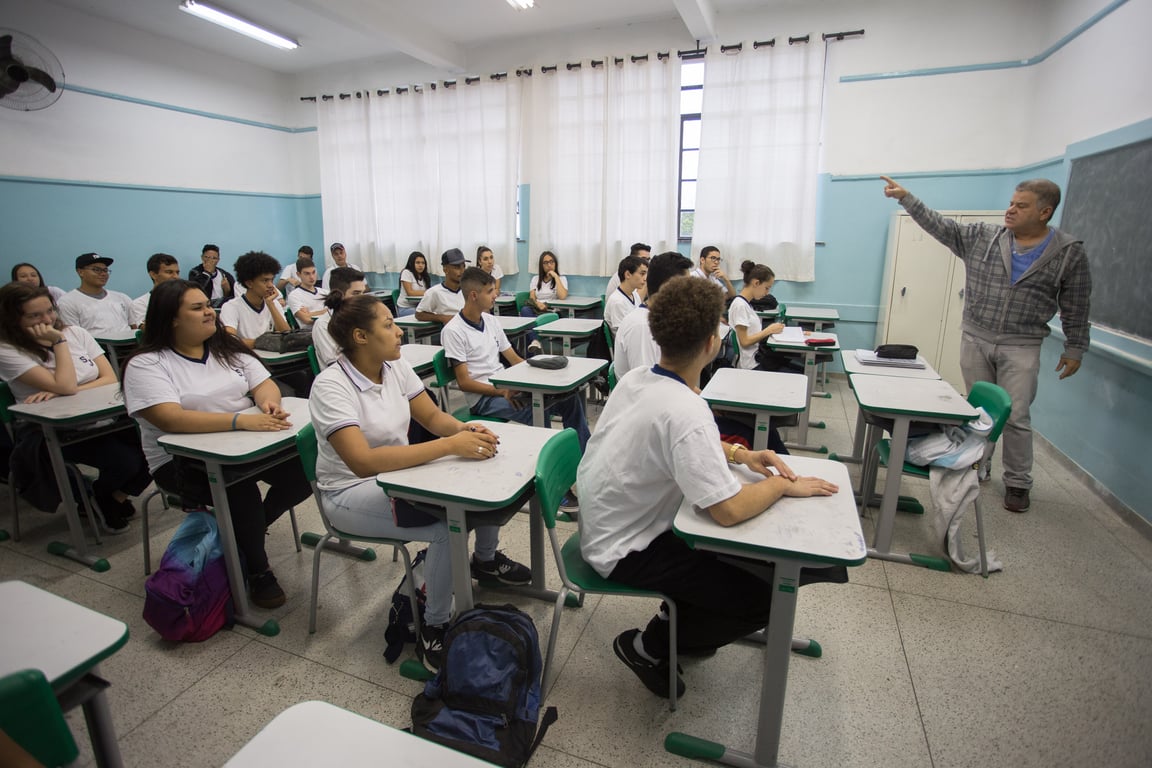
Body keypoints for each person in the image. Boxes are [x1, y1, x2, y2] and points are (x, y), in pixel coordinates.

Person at [577, 275, 844, 699]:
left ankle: (683, 618)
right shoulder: (688, 408)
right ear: (711, 343)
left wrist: (741, 456)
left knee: (732, 558)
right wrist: (778, 487)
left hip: (607, 525)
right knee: (763, 596)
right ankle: (650, 645)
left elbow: (683, 440)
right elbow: (730, 510)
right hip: (625, 548)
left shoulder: (638, 380)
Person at [309, 291, 532, 670]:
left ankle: (485, 561)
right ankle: (435, 627)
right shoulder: (331, 386)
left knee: (478, 480)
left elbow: (431, 418)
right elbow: (362, 463)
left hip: (397, 475)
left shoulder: (394, 366)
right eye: (389, 325)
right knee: (447, 526)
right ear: (361, 337)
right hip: (350, 491)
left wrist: (466, 430)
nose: (399, 332)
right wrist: (449, 446)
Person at [881, 176, 1092, 513]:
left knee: (1017, 416)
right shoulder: (984, 237)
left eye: (1021, 206)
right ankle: (979, 464)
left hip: (1022, 344)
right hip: (976, 336)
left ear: (1044, 212)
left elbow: (1077, 304)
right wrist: (907, 199)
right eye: (1011, 202)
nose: (1010, 210)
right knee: (979, 411)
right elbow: (941, 226)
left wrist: (1075, 347)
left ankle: (1019, 482)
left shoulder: (1068, 253)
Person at [122, 279, 311, 608]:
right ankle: (257, 570)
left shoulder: (227, 348)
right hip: (181, 462)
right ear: (171, 319)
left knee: (306, 469)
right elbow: (170, 418)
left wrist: (267, 403)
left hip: (245, 447)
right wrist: (241, 420)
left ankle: (244, 536)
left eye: (208, 305)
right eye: (197, 308)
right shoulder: (147, 363)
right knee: (238, 490)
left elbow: (264, 383)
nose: (210, 312)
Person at [0, 283, 151, 531]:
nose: (47, 320)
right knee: (125, 462)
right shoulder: (7, 350)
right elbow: (67, 385)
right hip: (50, 431)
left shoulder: (77, 333)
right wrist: (59, 343)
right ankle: (95, 499)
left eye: (49, 311)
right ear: (13, 318)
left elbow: (109, 378)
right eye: (34, 316)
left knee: (155, 445)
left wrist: (61, 388)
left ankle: (109, 498)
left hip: (98, 419)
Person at [442, 267, 589, 511]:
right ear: (473, 296)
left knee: (569, 399)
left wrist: (538, 373)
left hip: (507, 387)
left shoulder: (490, 321)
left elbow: (513, 358)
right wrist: (501, 391)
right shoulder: (454, 331)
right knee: (538, 412)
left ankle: (586, 464)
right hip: (483, 398)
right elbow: (464, 383)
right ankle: (554, 486)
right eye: (490, 292)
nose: (495, 296)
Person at [613, 251, 693, 374]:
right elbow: (645, 385)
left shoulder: (661, 317)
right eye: (687, 286)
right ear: (668, 288)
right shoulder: (642, 327)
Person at [218, 251, 291, 348]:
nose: (271, 285)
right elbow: (230, 340)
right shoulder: (231, 307)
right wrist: (262, 343)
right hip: (243, 358)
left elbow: (287, 334)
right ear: (249, 283)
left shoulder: (273, 303)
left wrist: (271, 305)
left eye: (272, 280)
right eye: (265, 280)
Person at [56, 253, 137, 336]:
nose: (103, 274)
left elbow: (134, 326)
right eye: (96, 270)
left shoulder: (122, 298)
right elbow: (73, 337)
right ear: (80, 272)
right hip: (95, 347)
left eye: (105, 270)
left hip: (130, 345)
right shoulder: (67, 302)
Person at [727, 261, 787, 370]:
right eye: (767, 288)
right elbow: (744, 341)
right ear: (756, 283)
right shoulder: (740, 306)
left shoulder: (746, 304)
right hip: (750, 365)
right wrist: (768, 330)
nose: (767, 293)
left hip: (755, 358)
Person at [312, 267, 367, 368]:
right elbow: (338, 364)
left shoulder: (362, 318)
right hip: (343, 379)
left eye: (363, 293)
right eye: (356, 293)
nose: (362, 299)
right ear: (339, 294)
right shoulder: (323, 325)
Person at [520, 250, 569, 354]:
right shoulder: (535, 279)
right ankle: (535, 340)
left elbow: (562, 296)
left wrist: (555, 277)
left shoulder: (561, 279)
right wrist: (538, 304)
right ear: (541, 265)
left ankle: (534, 344)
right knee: (525, 310)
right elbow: (532, 297)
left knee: (530, 325)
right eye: (546, 263)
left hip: (551, 311)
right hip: (536, 309)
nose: (549, 265)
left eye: (552, 262)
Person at [414, 248, 466, 324]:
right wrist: (442, 317)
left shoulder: (468, 290)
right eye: (457, 267)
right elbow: (419, 314)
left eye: (463, 266)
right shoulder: (435, 292)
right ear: (445, 269)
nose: (462, 271)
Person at [131, 253, 181, 327]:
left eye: (177, 272)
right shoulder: (140, 303)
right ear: (153, 275)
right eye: (169, 272)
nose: (176, 277)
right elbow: (148, 329)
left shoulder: (185, 299)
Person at [603, 255, 648, 333]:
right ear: (628, 274)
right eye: (642, 274)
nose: (645, 278)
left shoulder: (634, 294)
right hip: (625, 342)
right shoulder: (617, 302)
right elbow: (622, 333)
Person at [188, 244, 235, 308]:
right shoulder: (195, 272)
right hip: (205, 305)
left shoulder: (224, 275)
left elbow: (234, 295)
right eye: (207, 257)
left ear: (218, 260)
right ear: (202, 257)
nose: (210, 260)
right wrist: (207, 273)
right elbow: (196, 292)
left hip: (222, 305)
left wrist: (227, 291)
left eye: (214, 258)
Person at [285, 258, 327, 326]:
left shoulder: (325, 292)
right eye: (307, 274)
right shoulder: (294, 296)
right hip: (310, 332)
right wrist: (325, 311)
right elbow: (307, 320)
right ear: (298, 274)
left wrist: (310, 314)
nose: (312, 277)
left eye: (313, 272)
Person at [397, 251, 432, 317]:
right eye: (417, 263)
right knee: (427, 315)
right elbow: (410, 293)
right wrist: (429, 291)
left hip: (419, 307)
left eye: (423, 263)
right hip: (405, 308)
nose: (420, 265)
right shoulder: (406, 272)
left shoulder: (425, 276)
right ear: (411, 263)